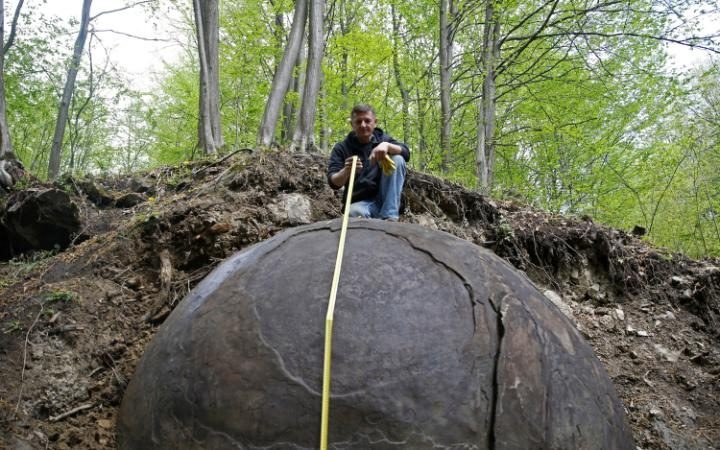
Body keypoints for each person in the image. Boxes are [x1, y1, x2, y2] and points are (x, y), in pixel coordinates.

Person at [327, 104, 410, 221]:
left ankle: (389, 218)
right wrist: (346, 171)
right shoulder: (342, 148)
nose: (363, 125)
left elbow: (406, 153)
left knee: (398, 159)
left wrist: (387, 146)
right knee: (353, 212)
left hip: (386, 201)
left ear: (375, 122)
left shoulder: (383, 139)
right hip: (360, 204)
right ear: (352, 124)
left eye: (367, 121)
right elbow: (333, 182)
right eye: (358, 121)